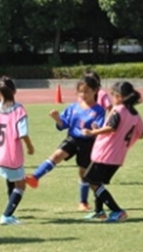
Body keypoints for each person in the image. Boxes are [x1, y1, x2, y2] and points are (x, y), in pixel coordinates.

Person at [24, 75, 106, 211]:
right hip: (72, 139)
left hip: (88, 143)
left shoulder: (99, 110)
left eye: (86, 91)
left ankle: (83, 202)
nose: (83, 94)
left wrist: (95, 129)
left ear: (95, 91)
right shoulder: (73, 107)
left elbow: (99, 127)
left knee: (83, 173)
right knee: (56, 156)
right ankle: (35, 177)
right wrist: (57, 118)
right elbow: (64, 124)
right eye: (80, 91)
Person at [81, 81, 143, 223]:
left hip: (106, 153)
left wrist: (93, 132)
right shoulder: (135, 114)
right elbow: (141, 133)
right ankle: (99, 211)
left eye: (113, 95)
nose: (112, 98)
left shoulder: (118, 109)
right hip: (117, 155)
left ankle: (117, 211)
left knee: (91, 180)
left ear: (120, 96)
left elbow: (112, 127)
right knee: (97, 182)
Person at [0, 76, 34, 225]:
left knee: (10, 180)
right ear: (14, 91)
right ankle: (7, 215)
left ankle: (11, 207)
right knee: (21, 184)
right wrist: (30, 147)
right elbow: (22, 133)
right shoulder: (18, 110)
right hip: (11, 154)